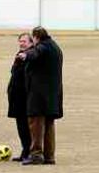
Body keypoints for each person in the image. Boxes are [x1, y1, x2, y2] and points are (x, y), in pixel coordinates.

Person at [17, 26, 63, 165]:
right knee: (49, 125)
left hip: (39, 96)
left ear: (36, 38)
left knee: (36, 124)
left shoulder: (42, 47)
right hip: (52, 95)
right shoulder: (56, 48)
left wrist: (25, 55)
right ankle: (49, 156)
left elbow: (36, 52)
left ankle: (36, 154)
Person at [7, 33, 33, 162]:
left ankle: (29, 151)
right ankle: (25, 150)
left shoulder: (31, 56)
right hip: (16, 98)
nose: (22, 43)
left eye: (24, 41)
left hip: (25, 98)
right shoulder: (19, 55)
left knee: (27, 127)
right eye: (20, 41)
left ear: (31, 43)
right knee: (21, 126)